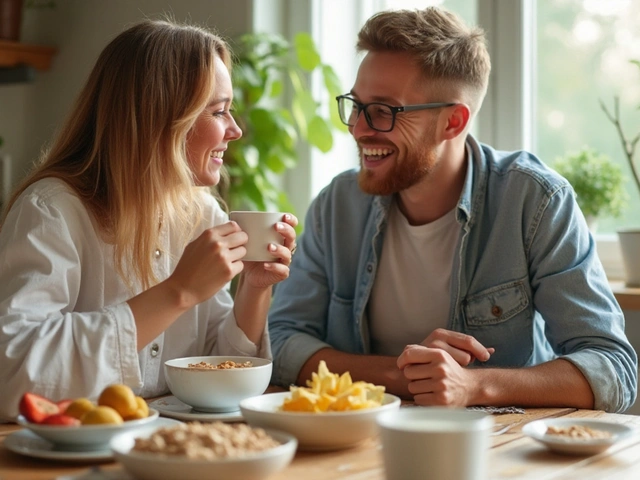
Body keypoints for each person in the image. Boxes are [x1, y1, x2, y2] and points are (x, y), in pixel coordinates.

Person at [268, 7, 637, 413]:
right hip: (359, 441)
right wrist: (400, 374)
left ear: (453, 122)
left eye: (383, 111)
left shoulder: (534, 201)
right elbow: (282, 339)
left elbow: (613, 369)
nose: (358, 128)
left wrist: (473, 386)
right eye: (356, 105)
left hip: (498, 448)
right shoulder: (337, 205)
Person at [0, 19, 297, 420]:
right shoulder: (52, 211)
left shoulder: (201, 213)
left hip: (172, 447)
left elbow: (215, 368)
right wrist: (177, 292)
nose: (236, 130)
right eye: (219, 112)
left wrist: (255, 289)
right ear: (161, 118)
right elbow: (13, 370)